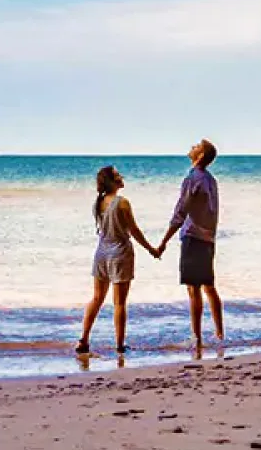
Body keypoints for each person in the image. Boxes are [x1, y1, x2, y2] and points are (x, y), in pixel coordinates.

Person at [76, 165, 159, 356]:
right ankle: (120, 345)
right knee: (119, 302)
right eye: (117, 175)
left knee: (97, 298)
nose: (121, 176)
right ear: (112, 181)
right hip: (120, 253)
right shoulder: (122, 203)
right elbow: (134, 230)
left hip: (101, 253)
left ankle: (84, 339)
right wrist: (151, 249)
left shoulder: (98, 203)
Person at [158, 139, 224, 348]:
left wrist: (164, 241)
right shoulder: (211, 180)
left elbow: (180, 212)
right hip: (208, 238)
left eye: (196, 146)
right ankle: (219, 334)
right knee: (209, 286)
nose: (192, 147)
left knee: (193, 289)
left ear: (200, 155)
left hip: (193, 237)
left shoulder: (192, 178)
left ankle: (197, 338)